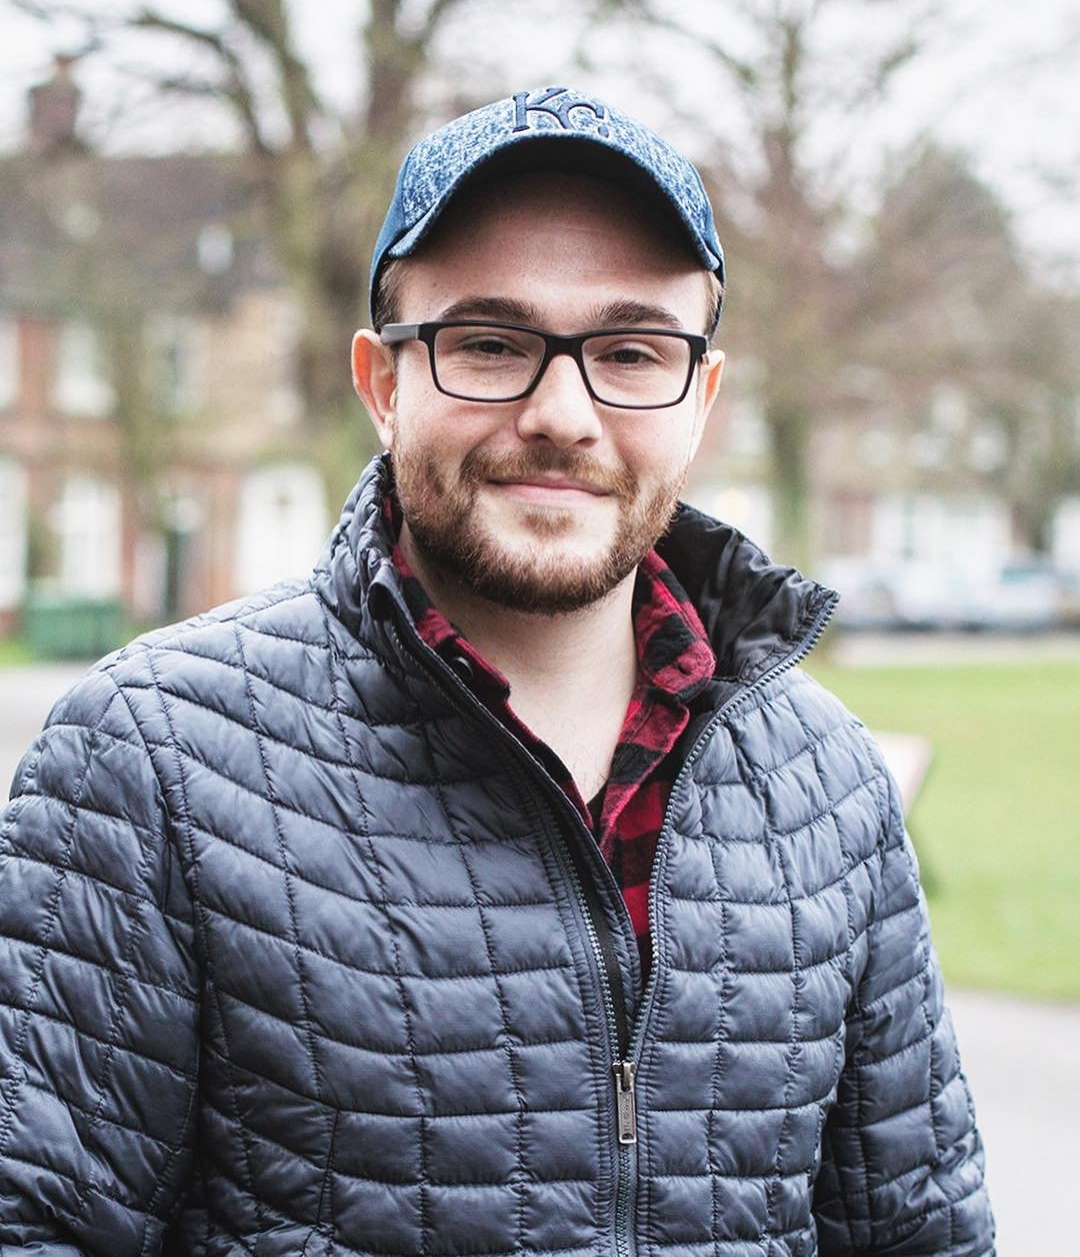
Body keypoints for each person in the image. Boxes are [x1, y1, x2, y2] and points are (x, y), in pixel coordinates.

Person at [0, 84, 993, 1255]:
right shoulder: (151, 761)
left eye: (632, 352)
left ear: (701, 400)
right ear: (383, 384)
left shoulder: (826, 784)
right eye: (489, 344)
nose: (562, 413)